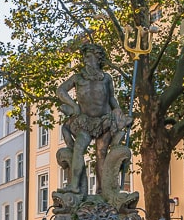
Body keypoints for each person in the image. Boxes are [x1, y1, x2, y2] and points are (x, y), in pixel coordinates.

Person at [56, 42, 131, 196]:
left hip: (104, 120)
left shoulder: (106, 78)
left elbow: (111, 99)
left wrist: (118, 111)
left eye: (88, 56)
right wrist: (73, 105)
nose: (85, 60)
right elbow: (60, 90)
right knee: (78, 149)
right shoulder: (78, 78)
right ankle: (75, 185)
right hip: (84, 121)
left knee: (101, 153)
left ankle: (103, 190)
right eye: (84, 57)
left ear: (97, 58)